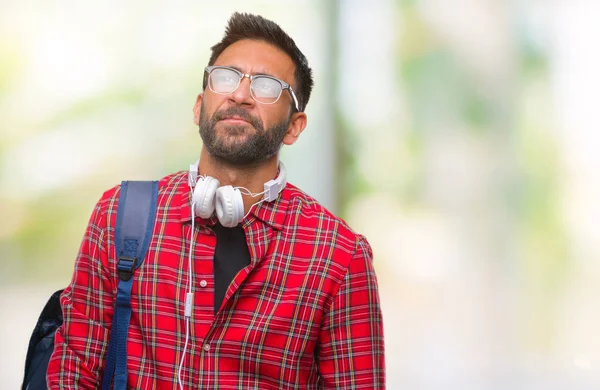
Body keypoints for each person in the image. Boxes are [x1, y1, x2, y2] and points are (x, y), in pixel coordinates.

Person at [47, 12, 385, 389]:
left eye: (266, 86)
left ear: (294, 127)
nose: (240, 94)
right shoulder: (119, 215)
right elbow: (71, 373)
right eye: (225, 78)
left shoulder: (339, 255)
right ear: (198, 106)